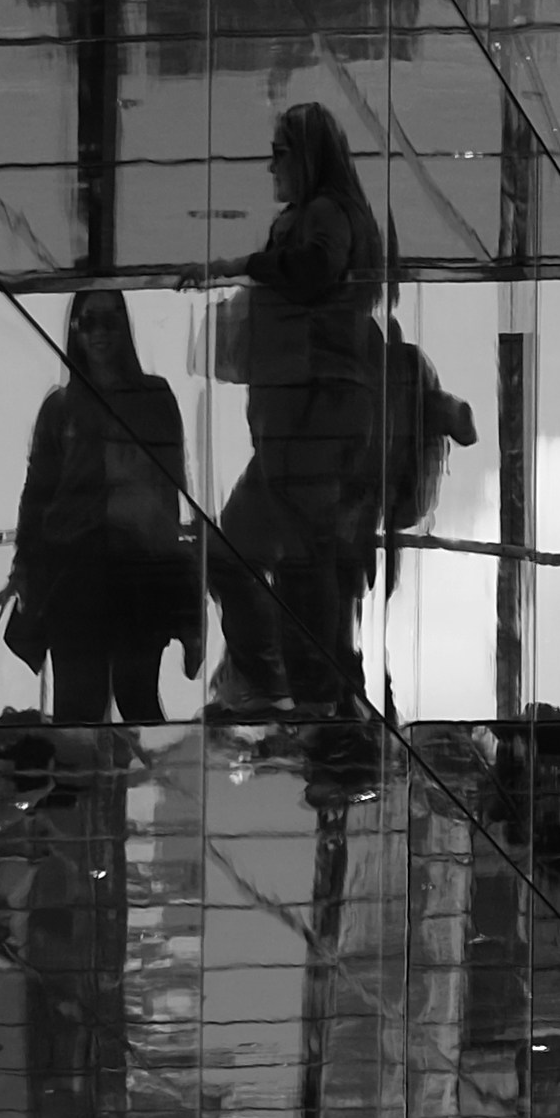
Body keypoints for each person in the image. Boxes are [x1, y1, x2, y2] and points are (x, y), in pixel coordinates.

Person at [210, 103, 385, 715]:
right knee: (261, 550)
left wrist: (246, 266)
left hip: (310, 412)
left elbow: (315, 271)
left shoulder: (327, 215)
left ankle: (309, 690)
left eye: (279, 152)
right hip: (304, 412)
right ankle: (291, 678)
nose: (271, 166)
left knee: (290, 559)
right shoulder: (331, 215)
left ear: (307, 157)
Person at [5, 287, 204, 722]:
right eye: (89, 321)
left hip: (137, 570)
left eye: (110, 320)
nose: (99, 332)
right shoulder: (62, 409)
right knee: (81, 708)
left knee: (135, 702)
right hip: (79, 572)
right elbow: (37, 493)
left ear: (124, 328)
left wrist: (181, 587)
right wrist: (24, 566)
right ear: (76, 330)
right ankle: (88, 787)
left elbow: (172, 491)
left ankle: (130, 787)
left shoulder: (152, 399)